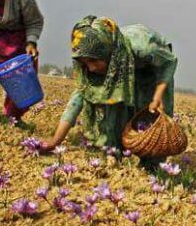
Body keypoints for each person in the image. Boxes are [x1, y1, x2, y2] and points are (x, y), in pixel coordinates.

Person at [39, 15, 177, 169]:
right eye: (85, 63)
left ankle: (153, 164)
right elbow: (79, 96)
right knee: (115, 107)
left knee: (149, 113)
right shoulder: (96, 61)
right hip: (120, 66)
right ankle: (115, 151)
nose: (90, 68)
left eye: (93, 61)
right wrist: (56, 140)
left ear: (107, 53)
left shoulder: (142, 48)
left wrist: (158, 95)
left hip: (152, 69)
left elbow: (169, 62)